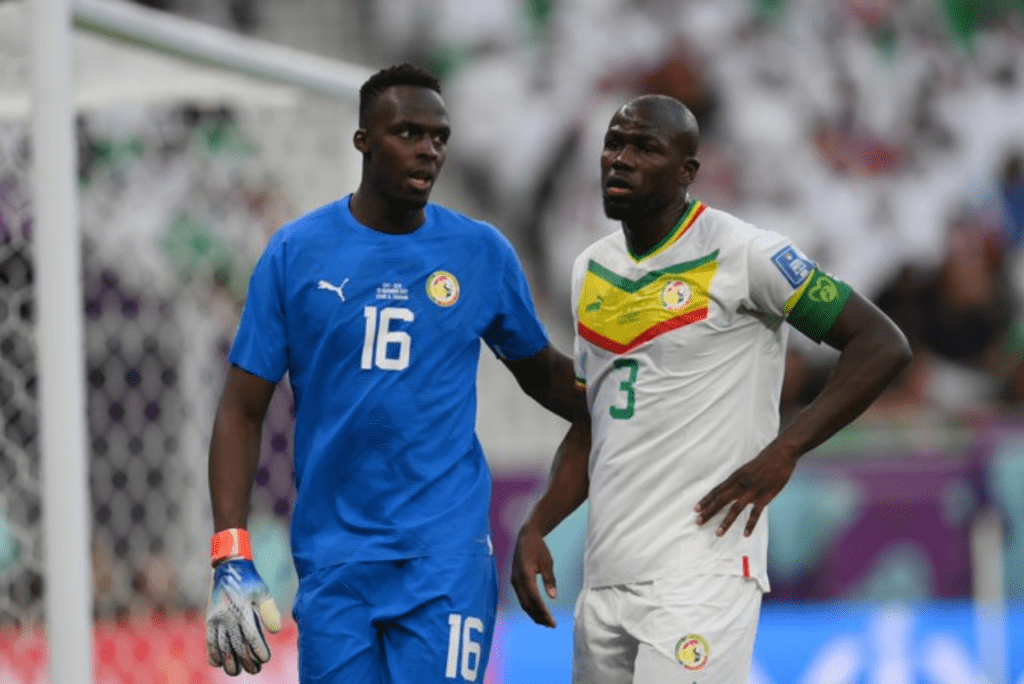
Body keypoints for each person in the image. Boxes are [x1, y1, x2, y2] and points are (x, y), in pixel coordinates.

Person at [204, 63, 585, 683]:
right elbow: (240, 408)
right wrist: (230, 551)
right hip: (334, 563)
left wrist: (629, 399)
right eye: (408, 132)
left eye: (439, 136)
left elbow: (541, 374)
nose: (428, 149)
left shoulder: (480, 252)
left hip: (445, 558)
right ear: (363, 141)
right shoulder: (295, 254)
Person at [511, 95, 911, 682]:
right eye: (613, 143)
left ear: (687, 172)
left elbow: (880, 343)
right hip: (605, 577)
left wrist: (786, 449)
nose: (620, 159)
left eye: (645, 147)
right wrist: (539, 522)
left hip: (700, 572)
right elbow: (599, 417)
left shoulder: (749, 253)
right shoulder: (591, 269)